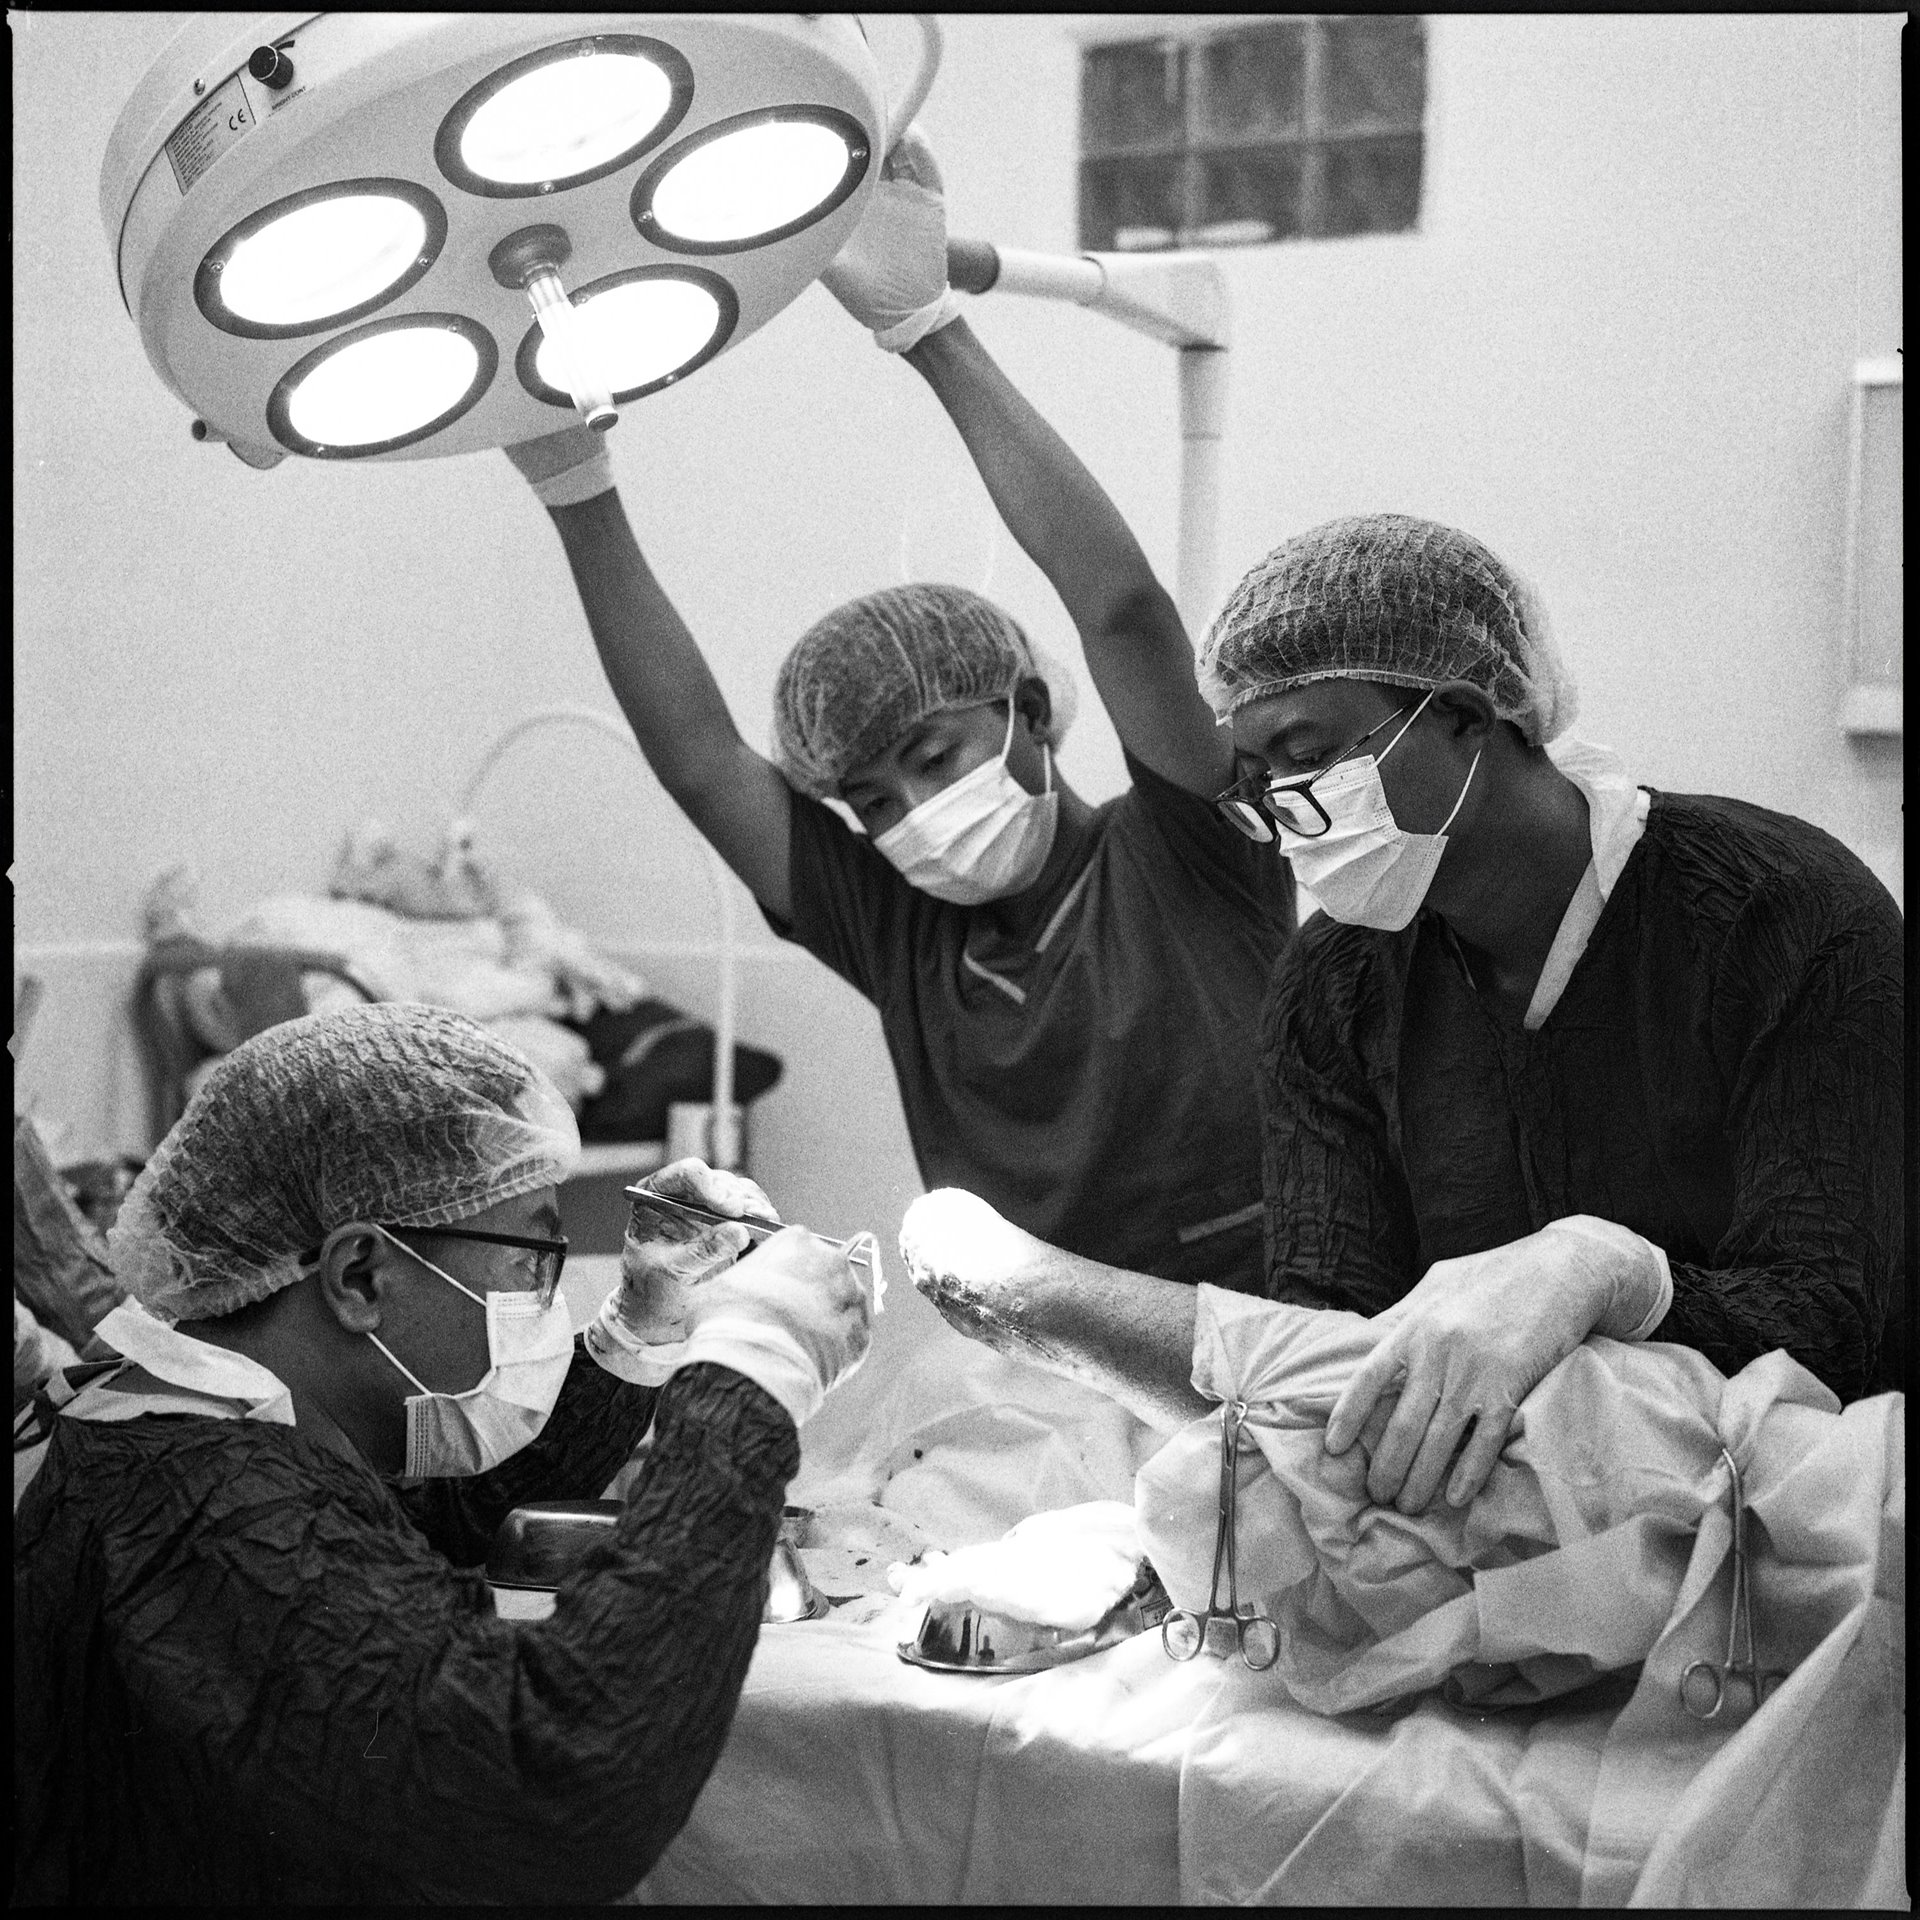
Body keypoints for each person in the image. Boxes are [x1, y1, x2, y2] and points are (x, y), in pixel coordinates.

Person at [898, 514, 1905, 1517]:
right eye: (1261, 785)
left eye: (1309, 754)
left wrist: (1615, 1277)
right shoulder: (1335, 991)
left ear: (1469, 711)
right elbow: (1327, 1366)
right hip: (1492, 1549)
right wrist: (1050, 1306)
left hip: (1797, 1538)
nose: (1291, 810)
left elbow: (1835, 1323)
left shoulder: (1779, 915)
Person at [502, 131, 1293, 1292]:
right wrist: (578, 490)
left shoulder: (1188, 849)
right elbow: (703, 764)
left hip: (1264, 1343)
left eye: (932, 757)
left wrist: (931, 330)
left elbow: (1123, 610)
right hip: (1025, 1386)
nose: (914, 816)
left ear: (1029, 709)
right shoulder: (909, 934)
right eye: (871, 801)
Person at [12, 1003, 870, 1907]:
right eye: (533, 1253)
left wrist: (635, 1334)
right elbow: (548, 1779)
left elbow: (445, 1521)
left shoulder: (217, 1421)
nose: (548, 1289)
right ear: (359, 1279)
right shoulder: (208, 1515)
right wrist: (749, 1376)